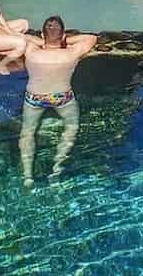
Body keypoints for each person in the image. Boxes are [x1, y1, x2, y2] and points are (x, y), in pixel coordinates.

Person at [18, 16, 97, 186]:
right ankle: (57, 168)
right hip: (61, 98)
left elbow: (21, 37)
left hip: (35, 97)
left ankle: (27, 176)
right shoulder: (71, 52)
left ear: (41, 34)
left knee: (27, 132)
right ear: (62, 36)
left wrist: (41, 40)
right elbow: (92, 38)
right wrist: (65, 39)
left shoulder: (31, 50)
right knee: (71, 127)